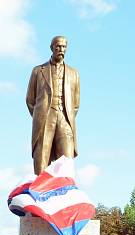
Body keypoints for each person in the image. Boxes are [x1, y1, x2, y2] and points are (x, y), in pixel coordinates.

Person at [26, 35, 80, 175]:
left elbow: (76, 104)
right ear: (52, 48)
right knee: (41, 162)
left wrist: (65, 115)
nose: (61, 49)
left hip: (65, 118)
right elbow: (30, 100)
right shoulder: (38, 71)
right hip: (45, 118)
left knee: (66, 162)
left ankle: (66, 193)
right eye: (58, 46)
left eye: (64, 46)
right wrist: (41, 115)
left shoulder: (74, 73)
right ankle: (40, 191)